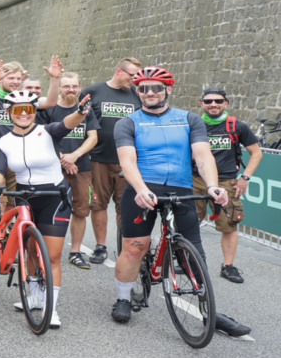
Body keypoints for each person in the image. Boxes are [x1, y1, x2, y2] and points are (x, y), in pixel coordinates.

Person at [110, 67, 251, 337]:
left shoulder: (189, 119)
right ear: (138, 91)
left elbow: (203, 156)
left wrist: (212, 185)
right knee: (134, 248)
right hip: (143, 187)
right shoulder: (127, 123)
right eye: (144, 88)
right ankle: (124, 298)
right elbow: (127, 161)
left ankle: (209, 309)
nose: (150, 93)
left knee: (196, 251)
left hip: (181, 188)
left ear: (168, 90)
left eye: (157, 88)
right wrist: (140, 189)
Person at [0, 89, 92, 328]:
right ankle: (34, 296)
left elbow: (67, 123)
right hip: (25, 196)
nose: (24, 114)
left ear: (35, 111)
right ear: (9, 113)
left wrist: (81, 111)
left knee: (52, 256)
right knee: (31, 251)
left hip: (54, 196)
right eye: (18, 110)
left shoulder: (47, 131)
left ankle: (51, 308)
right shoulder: (4, 142)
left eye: (28, 109)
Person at [193, 87, 263, 284]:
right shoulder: (194, 125)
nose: (213, 104)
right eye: (208, 101)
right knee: (189, 223)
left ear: (226, 104)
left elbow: (257, 153)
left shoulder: (237, 126)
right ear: (202, 104)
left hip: (227, 182)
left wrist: (245, 178)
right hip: (196, 180)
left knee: (228, 225)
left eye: (218, 101)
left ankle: (228, 267)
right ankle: (185, 260)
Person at [0, 58, 62, 210]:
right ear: (2, 78)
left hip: (16, 155)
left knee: (14, 201)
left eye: (18, 78)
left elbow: (51, 102)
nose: (15, 81)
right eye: (10, 78)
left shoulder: (23, 99)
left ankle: (10, 233)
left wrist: (55, 79)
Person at [81, 57, 142, 265]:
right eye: (131, 75)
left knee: (125, 207)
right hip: (99, 159)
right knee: (98, 204)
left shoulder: (137, 95)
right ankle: (100, 246)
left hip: (129, 161)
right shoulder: (94, 92)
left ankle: (124, 246)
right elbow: (80, 121)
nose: (135, 80)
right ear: (119, 71)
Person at [37, 73, 100, 270]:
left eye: (74, 86)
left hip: (82, 167)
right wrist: (64, 159)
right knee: (46, 208)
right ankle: (41, 248)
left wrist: (75, 155)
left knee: (81, 210)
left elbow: (93, 137)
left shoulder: (86, 110)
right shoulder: (49, 109)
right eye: (66, 86)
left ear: (80, 87)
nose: (70, 90)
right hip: (51, 167)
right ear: (59, 88)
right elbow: (41, 136)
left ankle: (76, 251)